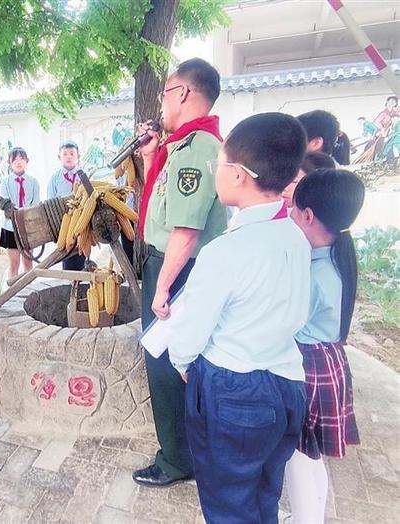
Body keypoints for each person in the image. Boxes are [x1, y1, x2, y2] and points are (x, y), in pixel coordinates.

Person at [167, 112, 310, 523]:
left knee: (229, 503)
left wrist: (181, 362)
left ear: (239, 174)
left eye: (220, 164)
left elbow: (190, 333)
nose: (217, 172)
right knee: (264, 493)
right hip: (286, 384)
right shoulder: (294, 236)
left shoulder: (225, 251)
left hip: (233, 390)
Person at [133, 58, 227, 488]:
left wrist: (162, 288)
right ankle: (184, 450)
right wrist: (153, 155)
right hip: (171, 263)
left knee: (166, 360)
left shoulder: (198, 148)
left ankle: (177, 459)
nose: (163, 103)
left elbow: (185, 232)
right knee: (171, 359)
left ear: (184, 93)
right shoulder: (183, 145)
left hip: (176, 269)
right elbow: (163, 203)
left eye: (166, 93)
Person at [285, 169, 365, 524]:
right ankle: (312, 516)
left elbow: (288, 324)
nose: (289, 214)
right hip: (329, 362)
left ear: (307, 215)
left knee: (297, 456)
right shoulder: (337, 257)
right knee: (312, 456)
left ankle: (306, 519)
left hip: (308, 367)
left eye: (293, 208)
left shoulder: (312, 273)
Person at [0, 147, 40, 279]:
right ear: (10, 163)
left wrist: (26, 216)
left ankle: (29, 293)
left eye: (21, 158)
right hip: (10, 227)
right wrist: (16, 213)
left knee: (28, 262)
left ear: (26, 161)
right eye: (15, 159)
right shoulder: (5, 182)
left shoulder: (33, 182)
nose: (18, 161)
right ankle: (14, 295)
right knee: (14, 263)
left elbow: (36, 204)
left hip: (28, 227)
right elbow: (6, 205)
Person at [47, 141, 86, 271]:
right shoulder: (55, 178)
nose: (68, 157)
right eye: (65, 154)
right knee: (66, 256)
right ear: (59, 157)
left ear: (78, 156)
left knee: (82, 256)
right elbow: (50, 203)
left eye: (72, 153)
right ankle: (68, 286)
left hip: (82, 222)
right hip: (64, 223)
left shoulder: (84, 175)